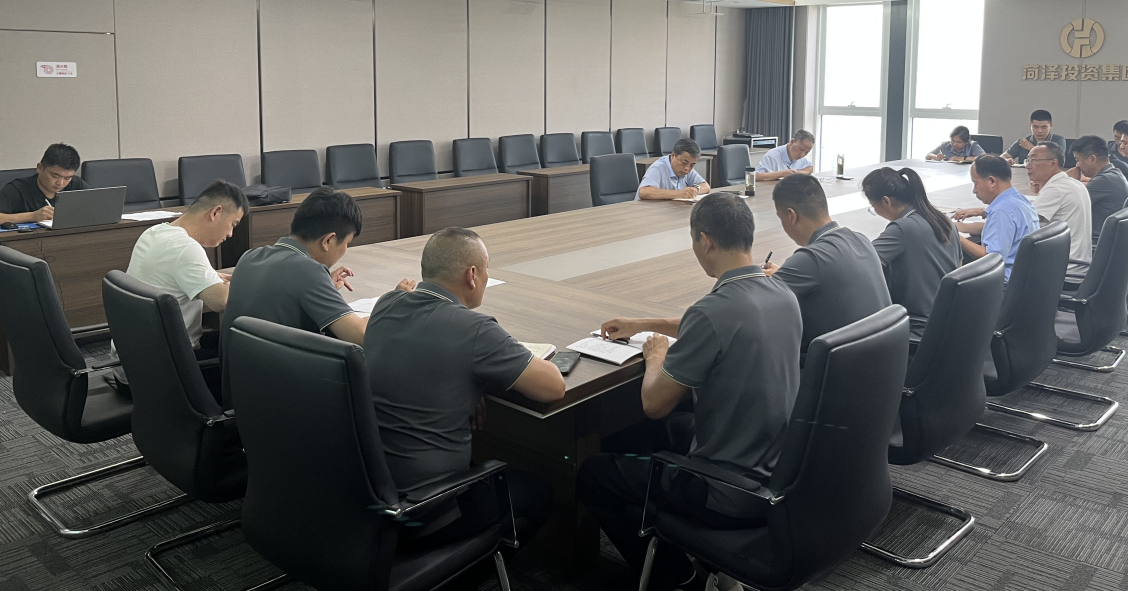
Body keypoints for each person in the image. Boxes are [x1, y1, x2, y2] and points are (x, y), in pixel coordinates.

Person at [581, 193, 802, 591]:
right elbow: (715, 323)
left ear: (706, 240)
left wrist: (655, 357)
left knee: (593, 474)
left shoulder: (712, 311)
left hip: (725, 491)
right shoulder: (782, 293)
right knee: (646, 437)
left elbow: (654, 404)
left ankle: (676, 577)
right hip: (778, 475)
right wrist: (644, 322)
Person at [363, 227, 564, 550]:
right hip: (428, 508)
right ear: (472, 275)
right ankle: (468, 567)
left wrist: (472, 384)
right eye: (486, 270)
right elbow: (553, 387)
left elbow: (418, 360)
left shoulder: (387, 304)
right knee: (538, 491)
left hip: (371, 494)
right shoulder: (475, 329)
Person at [222, 188, 404, 405]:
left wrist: (324, 286)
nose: (345, 249)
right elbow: (360, 336)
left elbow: (284, 294)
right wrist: (396, 300)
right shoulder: (307, 271)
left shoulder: (250, 257)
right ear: (328, 240)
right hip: (286, 403)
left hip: (242, 397)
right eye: (346, 243)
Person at [762, 174, 890, 350]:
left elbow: (755, 303)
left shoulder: (810, 259)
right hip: (881, 358)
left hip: (833, 365)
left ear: (792, 215)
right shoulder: (861, 239)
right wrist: (786, 272)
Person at [126, 180, 246, 359]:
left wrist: (211, 277)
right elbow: (221, 302)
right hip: (170, 360)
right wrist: (241, 279)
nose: (230, 234)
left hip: (137, 354)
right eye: (233, 224)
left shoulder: (153, 232)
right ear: (216, 212)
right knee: (252, 353)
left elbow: (173, 273)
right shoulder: (185, 248)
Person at [862, 168, 961, 339]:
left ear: (886, 201)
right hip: (946, 323)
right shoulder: (942, 220)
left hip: (916, 328)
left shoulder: (902, 228)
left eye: (873, 206)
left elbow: (861, 264)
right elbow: (959, 266)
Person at [953, 155, 1039, 281]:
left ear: (992, 181)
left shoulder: (1002, 211)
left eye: (976, 183)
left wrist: (954, 235)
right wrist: (962, 226)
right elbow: (1001, 230)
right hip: (1023, 278)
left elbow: (991, 258)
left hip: (1002, 284)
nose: (974, 191)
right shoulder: (1021, 201)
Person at [1025, 142, 1093, 263]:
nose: (1028, 166)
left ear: (1053, 163)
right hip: (1077, 261)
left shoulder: (1055, 189)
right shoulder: (1073, 183)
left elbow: (1023, 226)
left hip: (1063, 267)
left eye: (1034, 160)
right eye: (1028, 160)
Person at [0, 143, 89, 224]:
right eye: (55, 176)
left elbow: (95, 209)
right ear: (40, 168)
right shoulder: (17, 189)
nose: (60, 183)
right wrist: (33, 216)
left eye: (67, 178)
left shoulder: (76, 184)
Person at [1067, 135, 1128, 241]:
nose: (1077, 165)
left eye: (1078, 160)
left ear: (1092, 159)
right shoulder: (1114, 174)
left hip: (1095, 243)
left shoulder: (1103, 180)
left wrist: (1069, 180)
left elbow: (1068, 206)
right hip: (1112, 240)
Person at [636, 138, 710, 201]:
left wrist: (696, 189)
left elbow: (706, 186)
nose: (687, 168)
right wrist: (679, 194)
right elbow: (644, 191)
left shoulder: (687, 169)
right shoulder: (658, 168)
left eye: (692, 165)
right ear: (673, 155)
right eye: (684, 163)